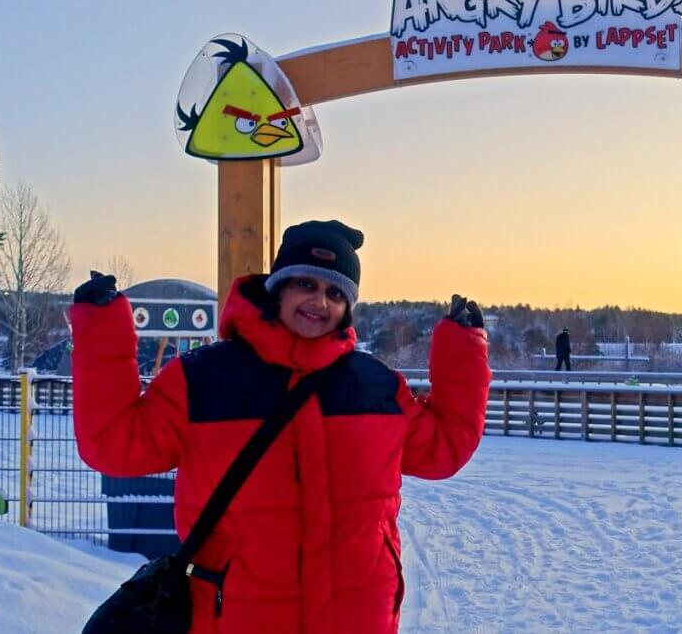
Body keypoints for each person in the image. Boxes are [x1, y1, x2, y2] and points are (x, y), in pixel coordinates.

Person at [70, 219, 491, 634]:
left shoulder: (376, 385)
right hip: (237, 615)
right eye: (305, 284)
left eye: (334, 292)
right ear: (278, 288)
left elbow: (443, 447)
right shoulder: (205, 379)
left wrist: (463, 344)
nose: (319, 302)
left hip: (357, 615)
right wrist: (101, 326)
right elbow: (113, 442)